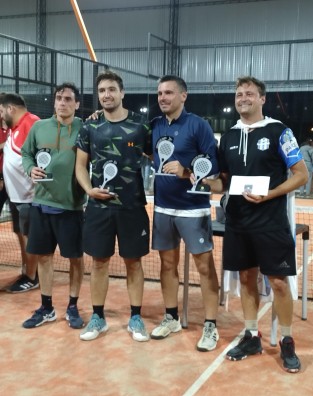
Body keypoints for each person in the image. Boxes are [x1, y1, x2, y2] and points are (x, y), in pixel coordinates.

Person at [204, 76, 308, 372]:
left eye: (249, 93)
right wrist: (197, 179)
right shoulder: (228, 136)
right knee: (247, 280)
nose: (243, 98)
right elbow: (224, 181)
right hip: (238, 222)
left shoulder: (279, 131)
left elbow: (301, 174)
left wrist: (271, 194)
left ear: (262, 99)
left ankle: (287, 340)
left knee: (278, 282)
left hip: (271, 222)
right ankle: (252, 336)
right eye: (239, 94)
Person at [75, 70, 152, 342]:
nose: (106, 95)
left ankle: (135, 317)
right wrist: (88, 190)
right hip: (98, 209)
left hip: (132, 208)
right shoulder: (89, 127)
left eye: (111, 89)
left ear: (122, 93)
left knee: (134, 263)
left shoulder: (142, 126)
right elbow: (80, 167)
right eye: (102, 91)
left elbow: (159, 159)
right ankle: (98, 317)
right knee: (99, 263)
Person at [150, 75, 220, 352]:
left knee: (205, 268)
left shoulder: (198, 125)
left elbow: (213, 163)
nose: (163, 98)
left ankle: (211, 325)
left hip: (194, 209)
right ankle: (171, 318)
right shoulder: (154, 126)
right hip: (162, 208)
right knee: (167, 266)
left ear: (183, 96)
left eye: (168, 93)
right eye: (159, 94)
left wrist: (187, 170)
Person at [21, 83, 85, 329]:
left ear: (77, 104)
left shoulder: (84, 127)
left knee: (75, 259)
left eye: (68, 99)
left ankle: (72, 306)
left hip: (72, 207)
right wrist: (30, 169)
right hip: (41, 204)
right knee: (44, 258)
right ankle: (46, 307)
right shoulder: (39, 127)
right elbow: (26, 154)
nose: (62, 103)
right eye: (59, 98)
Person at [0, 93, 40, 293]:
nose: (1, 116)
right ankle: (27, 270)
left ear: (10, 109)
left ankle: (31, 277)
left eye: (1, 111)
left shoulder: (31, 123)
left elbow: (43, 154)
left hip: (28, 196)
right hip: (16, 196)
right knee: (21, 233)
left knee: (28, 237)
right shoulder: (15, 128)